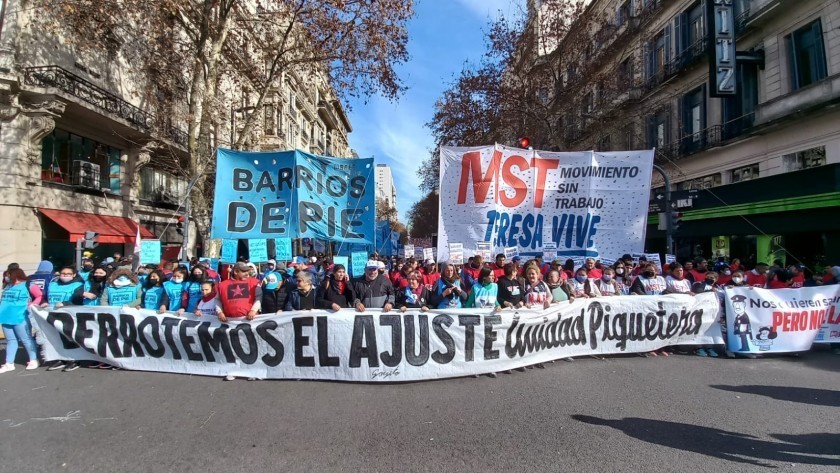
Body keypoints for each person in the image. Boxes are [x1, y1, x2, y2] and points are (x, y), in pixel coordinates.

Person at [0, 268, 42, 373]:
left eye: (8, 275)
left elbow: (39, 296)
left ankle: (33, 360)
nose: (6, 277)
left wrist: (32, 304)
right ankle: (9, 363)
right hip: (6, 317)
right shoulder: (8, 286)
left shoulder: (28, 285)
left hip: (21, 316)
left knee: (26, 339)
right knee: (11, 340)